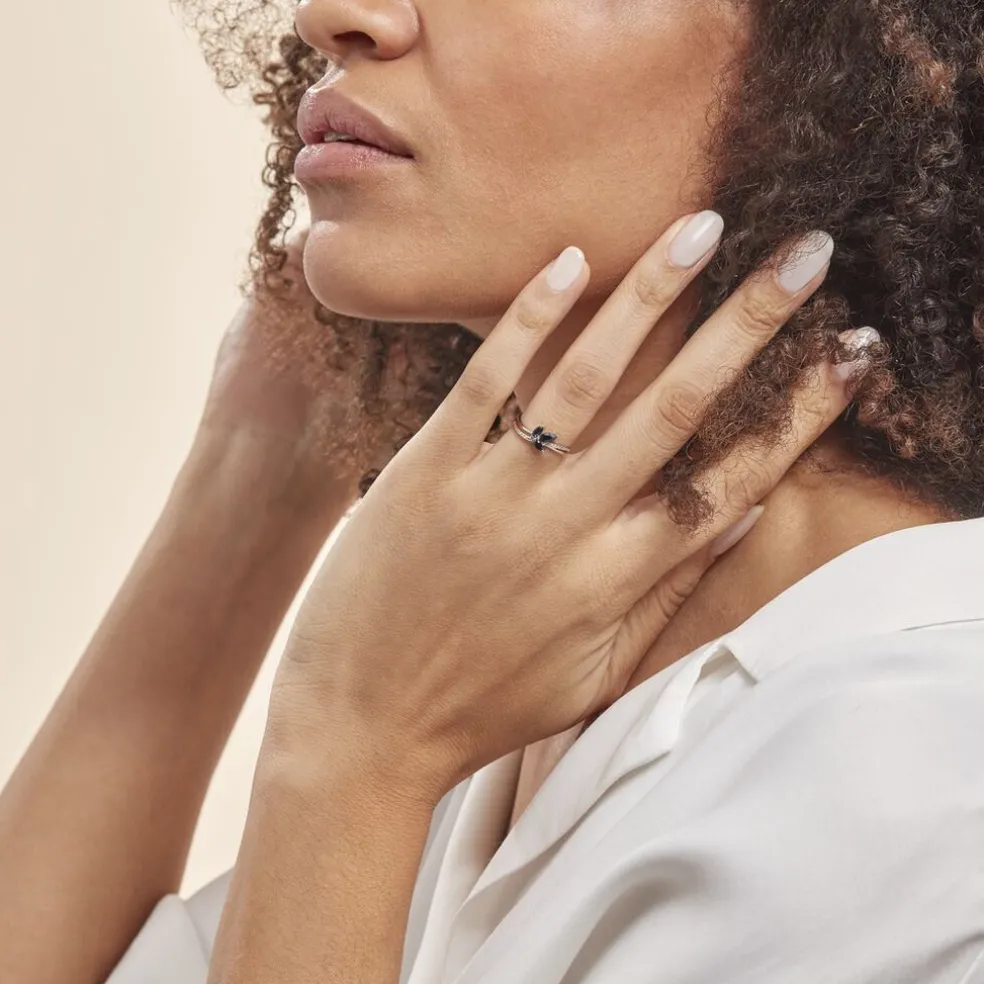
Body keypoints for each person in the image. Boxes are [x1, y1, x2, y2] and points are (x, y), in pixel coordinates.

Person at [2, 1, 984, 983]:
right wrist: (247, 474)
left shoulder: (919, 767)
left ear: (862, 67)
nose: (334, 17)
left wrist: (351, 757)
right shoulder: (492, 688)